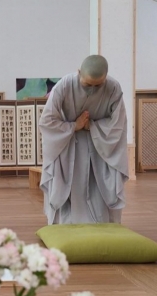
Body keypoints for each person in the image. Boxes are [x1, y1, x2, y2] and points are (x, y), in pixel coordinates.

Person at [38, 55, 129, 225]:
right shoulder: (64, 85)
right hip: (67, 144)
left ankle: (102, 224)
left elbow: (118, 124)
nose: (92, 90)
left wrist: (91, 127)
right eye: (88, 85)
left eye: (98, 86)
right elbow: (47, 121)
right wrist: (74, 126)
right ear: (79, 72)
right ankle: (65, 224)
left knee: (99, 187)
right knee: (67, 187)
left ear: (106, 77)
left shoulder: (113, 87)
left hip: (100, 146)